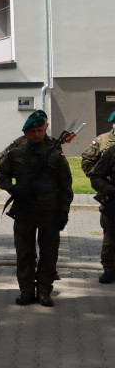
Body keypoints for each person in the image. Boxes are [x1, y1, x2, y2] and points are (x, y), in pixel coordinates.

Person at [0, 112, 73, 306]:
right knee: (24, 253)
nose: (37, 134)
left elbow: (66, 185)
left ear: (44, 129)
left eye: (40, 130)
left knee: (49, 253)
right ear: (26, 133)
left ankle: (44, 291)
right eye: (33, 131)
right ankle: (27, 291)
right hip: (24, 211)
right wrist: (13, 188)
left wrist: (63, 212)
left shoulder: (55, 154)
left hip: (49, 211)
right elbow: (0, 174)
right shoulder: (15, 154)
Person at [82, 110, 115, 284]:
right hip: (112, 199)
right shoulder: (105, 143)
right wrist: (108, 188)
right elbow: (90, 166)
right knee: (110, 237)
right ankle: (109, 269)